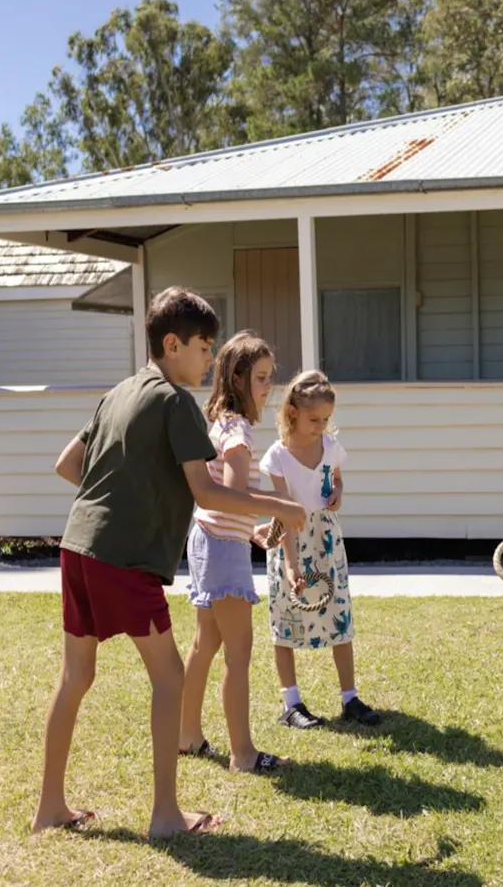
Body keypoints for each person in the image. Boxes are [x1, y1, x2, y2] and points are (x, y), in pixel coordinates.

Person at [32, 287, 305, 838]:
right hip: (124, 559)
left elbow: (68, 464)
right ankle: (165, 817)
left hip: (76, 546)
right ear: (172, 344)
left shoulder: (120, 392)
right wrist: (282, 506)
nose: (210, 359)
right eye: (205, 348)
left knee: (76, 675)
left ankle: (50, 809)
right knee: (169, 674)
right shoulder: (176, 402)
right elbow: (208, 493)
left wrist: (123, 495)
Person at [178, 331, 285, 773]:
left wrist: (252, 532)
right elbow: (235, 493)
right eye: (261, 378)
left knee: (206, 643)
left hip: (209, 539)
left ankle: (186, 735)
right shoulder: (238, 430)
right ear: (238, 378)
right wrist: (281, 510)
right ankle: (242, 754)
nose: (268, 387)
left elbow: (226, 500)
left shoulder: (219, 421)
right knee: (238, 652)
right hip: (221, 545)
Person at [260, 369, 381, 731]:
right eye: (315, 419)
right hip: (290, 537)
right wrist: (292, 566)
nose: (321, 426)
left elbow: (338, 481)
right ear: (293, 412)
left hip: (327, 540)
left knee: (339, 615)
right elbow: (283, 509)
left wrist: (338, 496)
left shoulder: (330, 447)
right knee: (286, 618)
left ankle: (350, 698)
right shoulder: (278, 456)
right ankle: (291, 703)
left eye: (327, 419)